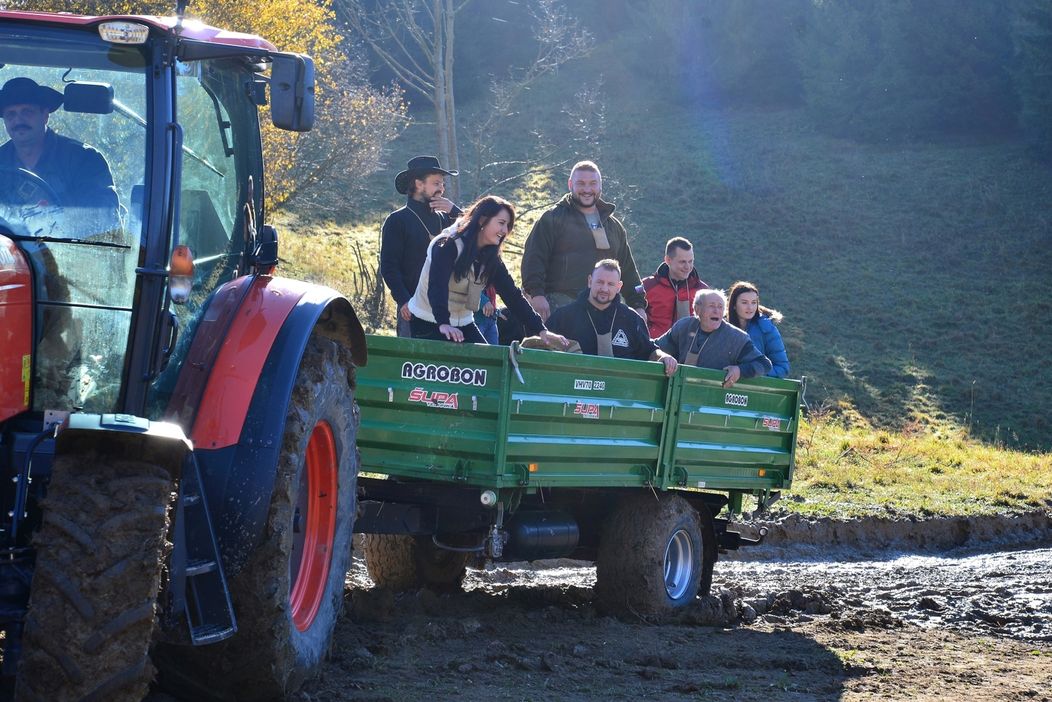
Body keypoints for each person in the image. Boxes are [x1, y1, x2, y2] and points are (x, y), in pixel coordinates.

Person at [408, 194, 569, 349]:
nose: (505, 230)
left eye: (507, 226)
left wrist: (541, 330)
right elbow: (437, 286)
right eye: (501, 223)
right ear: (482, 220)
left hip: (463, 322)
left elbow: (512, 295)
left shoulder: (491, 258)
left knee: (486, 362)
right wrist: (443, 323)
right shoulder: (448, 245)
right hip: (428, 321)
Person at [520, 160, 646, 322]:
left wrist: (638, 305)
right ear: (570, 184)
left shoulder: (614, 227)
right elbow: (533, 259)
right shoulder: (552, 219)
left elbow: (628, 271)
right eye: (581, 183)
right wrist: (536, 294)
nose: (587, 189)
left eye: (593, 183)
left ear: (600, 186)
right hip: (560, 307)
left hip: (604, 310)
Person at [0, 77, 118, 217]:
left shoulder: (84, 160)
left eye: (27, 112)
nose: (18, 120)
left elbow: (102, 219)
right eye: (11, 114)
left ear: (45, 115)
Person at [547, 260, 677, 376]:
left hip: (620, 391)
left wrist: (663, 357)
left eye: (610, 284)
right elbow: (542, 345)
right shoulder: (563, 316)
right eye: (600, 282)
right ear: (590, 281)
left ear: (619, 287)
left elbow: (650, 351)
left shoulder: (632, 319)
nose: (604, 288)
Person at [380, 155, 462, 337]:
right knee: (414, 355)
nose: (441, 189)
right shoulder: (398, 220)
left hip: (446, 310)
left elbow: (475, 235)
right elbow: (389, 267)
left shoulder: (446, 218)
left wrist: (454, 211)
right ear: (418, 184)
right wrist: (404, 300)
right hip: (413, 309)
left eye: (442, 184)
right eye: (436, 183)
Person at [655, 289, 771, 388]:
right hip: (677, 391)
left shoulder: (737, 338)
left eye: (720, 307)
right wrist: (664, 356)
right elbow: (656, 348)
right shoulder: (684, 326)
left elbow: (764, 364)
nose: (716, 311)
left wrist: (739, 370)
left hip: (713, 396)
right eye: (711, 306)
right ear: (697, 309)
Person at [640, 236, 708, 338]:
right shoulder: (647, 286)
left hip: (689, 346)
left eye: (691, 261)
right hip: (652, 345)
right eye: (682, 262)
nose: (688, 267)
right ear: (668, 260)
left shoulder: (703, 291)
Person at [727, 280, 790, 378]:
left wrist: (750, 372)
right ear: (734, 305)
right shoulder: (721, 326)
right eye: (744, 303)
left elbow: (782, 368)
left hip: (756, 386)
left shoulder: (767, 329)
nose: (750, 307)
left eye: (753, 302)